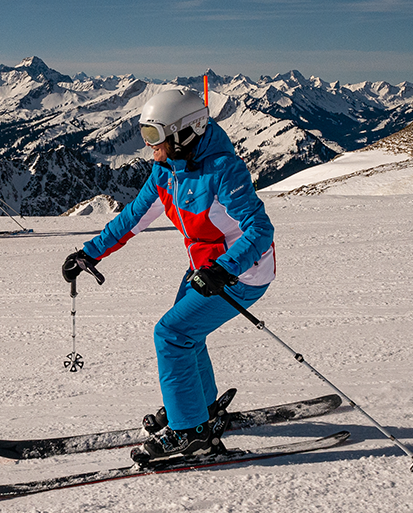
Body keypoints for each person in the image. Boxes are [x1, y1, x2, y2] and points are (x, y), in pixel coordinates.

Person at [62, 88, 276, 463]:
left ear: (183, 133)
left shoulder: (223, 171)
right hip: (206, 269)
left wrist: (225, 269)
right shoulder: (167, 170)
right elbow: (134, 218)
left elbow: (260, 231)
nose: (149, 147)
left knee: (172, 333)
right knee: (186, 334)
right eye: (145, 135)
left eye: (153, 136)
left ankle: (190, 434)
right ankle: (201, 411)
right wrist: (88, 253)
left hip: (243, 273)